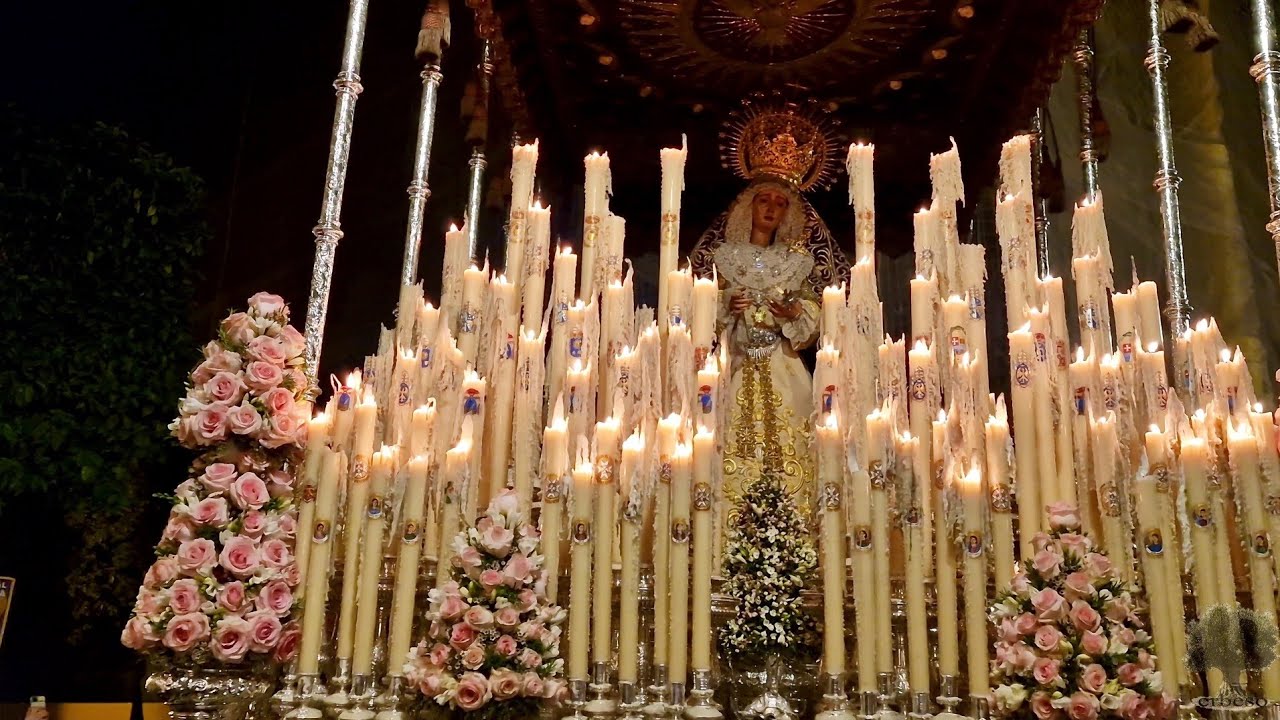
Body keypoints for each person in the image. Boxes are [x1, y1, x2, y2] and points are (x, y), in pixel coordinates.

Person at [696, 179, 829, 506]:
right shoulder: (725, 260)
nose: (771, 208)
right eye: (763, 201)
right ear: (748, 208)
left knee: (791, 439)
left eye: (780, 203)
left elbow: (815, 317)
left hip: (783, 365)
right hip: (737, 362)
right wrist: (726, 304)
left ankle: (791, 521)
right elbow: (700, 315)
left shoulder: (795, 263)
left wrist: (793, 310)